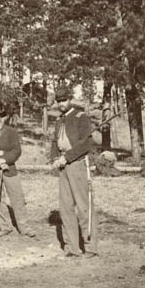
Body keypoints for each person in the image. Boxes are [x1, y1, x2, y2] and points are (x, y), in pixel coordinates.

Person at [50, 86, 98, 258]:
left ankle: (90, 247)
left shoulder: (80, 117)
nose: (61, 104)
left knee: (84, 206)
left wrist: (67, 157)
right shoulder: (59, 120)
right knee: (66, 208)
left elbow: (86, 143)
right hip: (62, 166)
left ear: (69, 99)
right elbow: (55, 143)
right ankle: (72, 247)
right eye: (59, 101)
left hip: (77, 163)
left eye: (64, 100)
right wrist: (54, 159)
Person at [0, 101, 35, 237]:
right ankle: (5, 227)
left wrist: (5, 160)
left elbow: (16, 150)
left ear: (1, 116)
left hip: (9, 168)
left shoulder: (11, 131)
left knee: (17, 198)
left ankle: (24, 227)